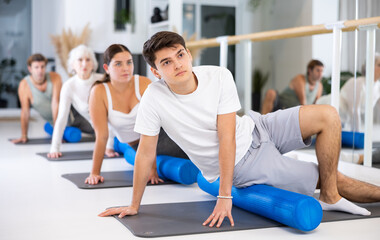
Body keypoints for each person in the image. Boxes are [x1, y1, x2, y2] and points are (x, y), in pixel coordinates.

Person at [99, 31, 380, 228]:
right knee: (332, 178)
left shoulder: (219, 75)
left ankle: (330, 197)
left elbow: (230, 130)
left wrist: (223, 196)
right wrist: (134, 204)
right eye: (167, 62)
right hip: (244, 162)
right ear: (156, 72)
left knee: (328, 115)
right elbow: (146, 151)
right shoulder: (154, 97)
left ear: (188, 54)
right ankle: (333, 189)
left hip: (258, 126)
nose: (178, 64)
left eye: (180, 55)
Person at [85, 44, 188, 185]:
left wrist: (152, 169)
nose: (126, 68)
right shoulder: (99, 92)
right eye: (118, 64)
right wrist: (94, 173)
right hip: (139, 146)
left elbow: (155, 125)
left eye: (129, 62)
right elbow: (101, 136)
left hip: (164, 136)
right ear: (106, 68)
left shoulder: (143, 83)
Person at [48, 45, 103, 158]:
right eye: (80, 60)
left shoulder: (103, 80)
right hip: (102, 133)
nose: (84, 64)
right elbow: (61, 118)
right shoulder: (69, 86)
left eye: (88, 60)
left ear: (93, 64)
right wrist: (55, 148)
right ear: (72, 64)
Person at [12, 54, 62, 143]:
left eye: (42, 67)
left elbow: (56, 104)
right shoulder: (24, 85)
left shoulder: (55, 77)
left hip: (72, 116)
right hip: (52, 122)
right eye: (36, 67)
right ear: (30, 69)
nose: (40, 70)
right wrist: (24, 135)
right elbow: (25, 111)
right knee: (74, 135)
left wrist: (57, 133)